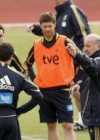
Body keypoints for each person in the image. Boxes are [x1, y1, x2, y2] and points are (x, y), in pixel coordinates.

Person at [28, 0, 91, 130]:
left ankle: (87, 118)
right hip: (58, 68)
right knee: (75, 92)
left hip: (73, 57)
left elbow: (83, 31)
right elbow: (50, 34)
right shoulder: (59, 14)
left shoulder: (73, 9)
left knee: (78, 89)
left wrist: (84, 51)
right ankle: (82, 119)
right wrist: (36, 29)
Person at [26, 12, 76, 140]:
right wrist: (34, 80)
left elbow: (79, 59)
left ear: (55, 25)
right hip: (44, 92)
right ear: (41, 27)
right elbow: (28, 63)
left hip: (63, 91)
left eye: (50, 26)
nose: (47, 29)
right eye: (44, 26)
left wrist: (75, 80)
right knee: (51, 125)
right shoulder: (36, 44)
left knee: (68, 125)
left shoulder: (65, 41)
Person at [66, 34, 100, 140]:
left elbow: (92, 66)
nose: (85, 49)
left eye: (88, 46)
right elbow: (97, 79)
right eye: (84, 46)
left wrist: (77, 55)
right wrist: (80, 84)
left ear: (99, 46)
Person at [0, 42, 43, 140]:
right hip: (11, 120)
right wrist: (19, 111)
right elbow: (38, 95)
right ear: (12, 57)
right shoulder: (18, 75)